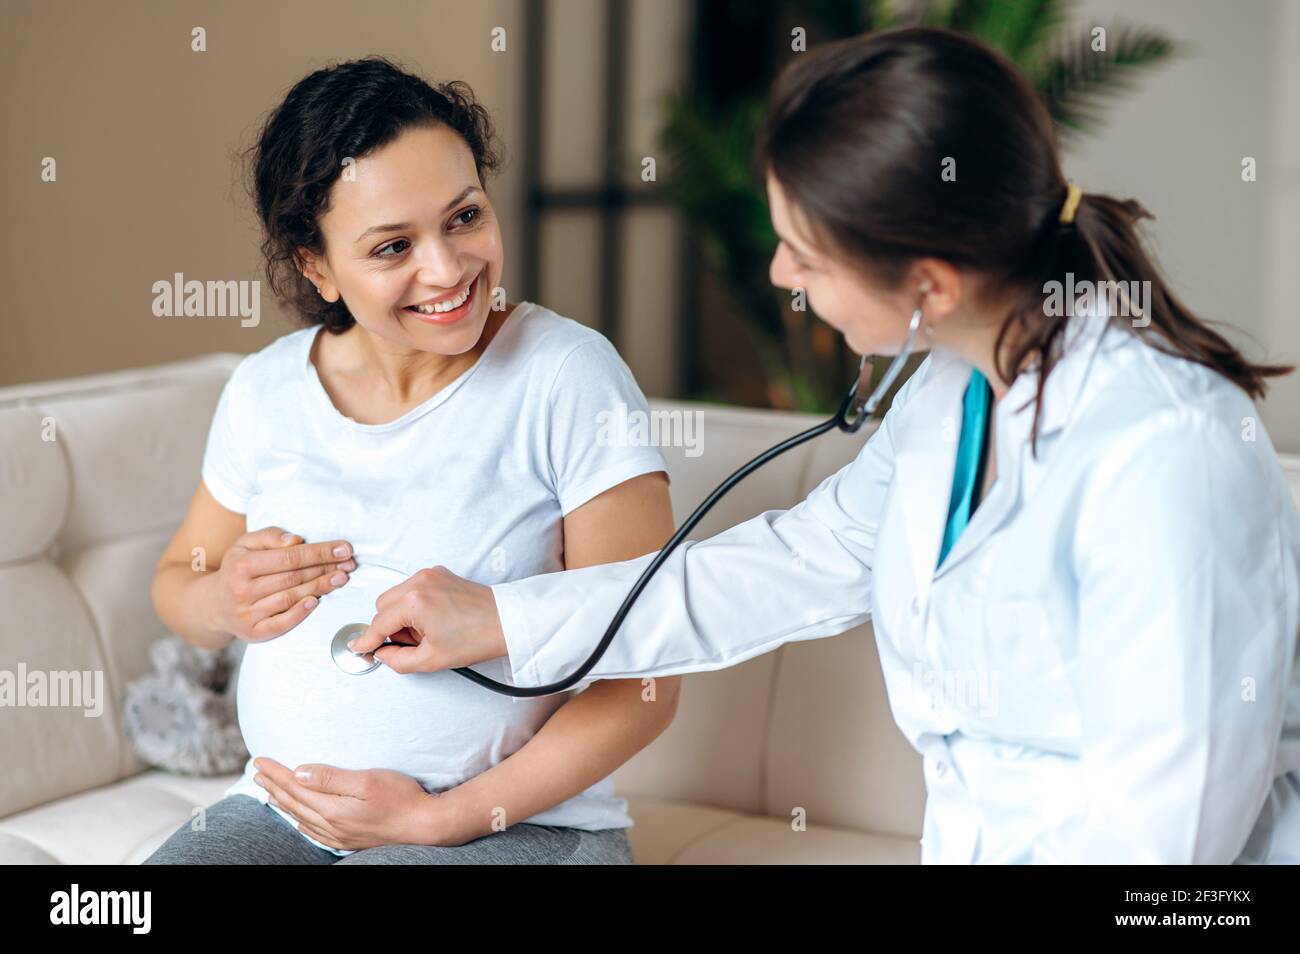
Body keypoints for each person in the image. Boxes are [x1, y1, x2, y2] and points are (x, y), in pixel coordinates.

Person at [347, 28, 1300, 864]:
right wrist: (505, 620)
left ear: (926, 283)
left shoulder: (1167, 457)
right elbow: (784, 565)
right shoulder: (954, 395)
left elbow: (1172, 854)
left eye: (805, 252)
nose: (777, 271)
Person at [145, 57, 679, 864]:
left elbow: (648, 681)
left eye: (464, 217)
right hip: (281, 815)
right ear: (315, 264)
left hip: (516, 828)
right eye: (394, 245)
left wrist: (439, 819)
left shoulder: (568, 376)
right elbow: (176, 586)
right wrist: (223, 601)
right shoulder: (264, 393)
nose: (448, 269)